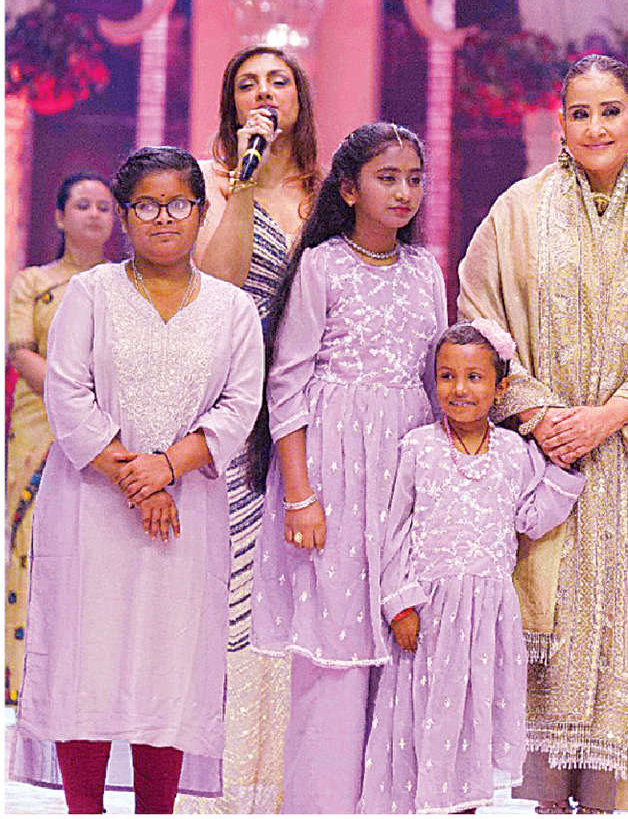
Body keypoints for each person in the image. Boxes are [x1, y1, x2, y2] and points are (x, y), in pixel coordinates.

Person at [455, 53, 628, 814]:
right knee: (542, 623)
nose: (596, 127)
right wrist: (540, 415)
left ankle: (608, 798)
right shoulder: (516, 213)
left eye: (611, 111)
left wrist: (609, 415)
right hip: (538, 465)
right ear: (560, 124)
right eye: (580, 113)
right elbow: (479, 316)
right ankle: (545, 798)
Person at [11, 146, 264, 812]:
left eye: (178, 204)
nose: (163, 218)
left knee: (169, 664)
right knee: (85, 659)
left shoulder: (233, 309)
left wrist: (168, 468)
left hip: (188, 512)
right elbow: (67, 395)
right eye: (146, 206)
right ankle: (85, 810)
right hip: (91, 509)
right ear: (125, 216)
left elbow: (240, 406)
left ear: (201, 212)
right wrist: (138, 479)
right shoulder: (91, 294)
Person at [250, 122, 445, 813]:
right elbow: (287, 383)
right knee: (333, 651)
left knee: (403, 637)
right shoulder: (323, 266)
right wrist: (299, 494)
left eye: (413, 179)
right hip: (330, 473)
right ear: (348, 189)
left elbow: (436, 380)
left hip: (404, 471)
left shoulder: (426, 270)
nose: (403, 192)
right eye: (387, 178)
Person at [360, 321, 584, 814]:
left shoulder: (514, 452)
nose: (459, 389)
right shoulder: (418, 448)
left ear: (500, 388)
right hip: (429, 614)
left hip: (488, 617)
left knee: (471, 724)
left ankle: (466, 809)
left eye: (474, 377)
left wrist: (564, 473)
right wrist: (400, 604)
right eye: (447, 376)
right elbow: (393, 532)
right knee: (422, 722)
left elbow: (532, 519)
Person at [181, 42, 320, 814]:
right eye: (247, 84)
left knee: (304, 586)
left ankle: (294, 781)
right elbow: (220, 283)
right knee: (235, 586)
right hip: (237, 406)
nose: (264, 93)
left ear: (300, 96)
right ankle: (224, 784)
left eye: (278, 81)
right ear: (231, 104)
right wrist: (242, 183)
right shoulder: (210, 183)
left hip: (318, 412)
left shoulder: (332, 191)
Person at [6, 171, 115, 707]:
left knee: (99, 550)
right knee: (35, 547)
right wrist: (76, 398)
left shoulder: (124, 284)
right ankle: (26, 680)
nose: (94, 214)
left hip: (107, 433)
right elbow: (20, 351)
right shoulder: (33, 282)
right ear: (58, 216)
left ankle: (92, 684)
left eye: (104, 207)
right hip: (40, 431)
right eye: (83, 205)